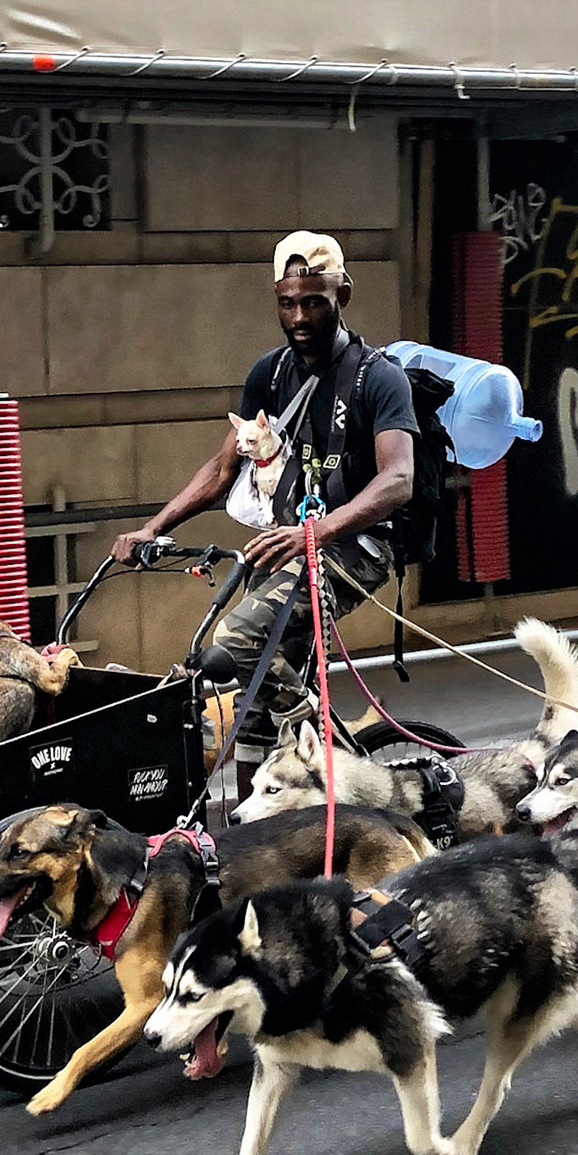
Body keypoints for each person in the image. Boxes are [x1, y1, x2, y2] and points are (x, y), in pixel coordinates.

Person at [110, 230, 417, 795]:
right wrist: (154, 528)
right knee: (249, 704)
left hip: (353, 548)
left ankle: (321, 748)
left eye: (314, 301)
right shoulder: (271, 375)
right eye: (287, 302)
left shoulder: (377, 377)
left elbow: (398, 481)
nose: (299, 316)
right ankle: (266, 835)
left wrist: (315, 533)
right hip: (288, 546)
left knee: (237, 641)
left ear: (342, 295)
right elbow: (222, 469)